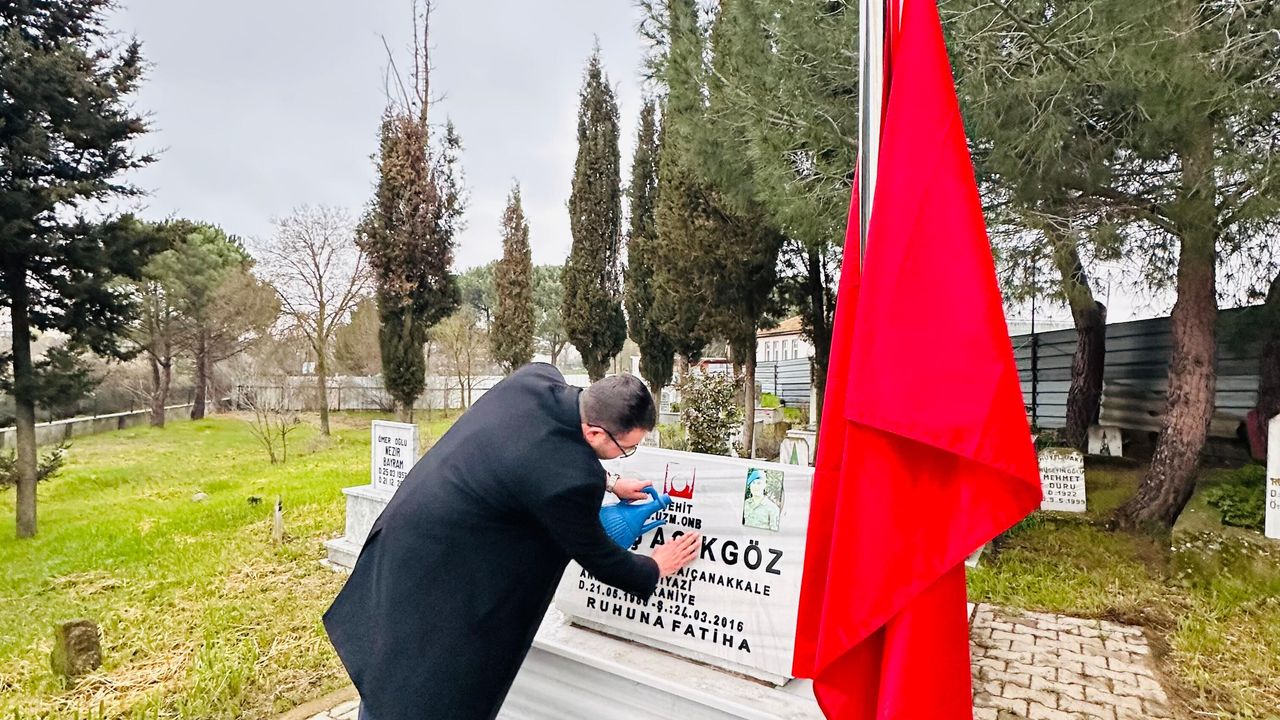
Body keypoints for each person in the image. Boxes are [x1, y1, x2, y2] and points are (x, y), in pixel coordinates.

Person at [323, 363, 701, 720]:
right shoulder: (572, 480)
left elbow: (531, 452)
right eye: (626, 448)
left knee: (387, 665)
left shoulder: (534, 379)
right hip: (442, 576)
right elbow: (599, 556)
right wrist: (655, 566)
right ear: (595, 433)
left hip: (404, 535)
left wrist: (611, 482)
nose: (625, 455)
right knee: (420, 687)